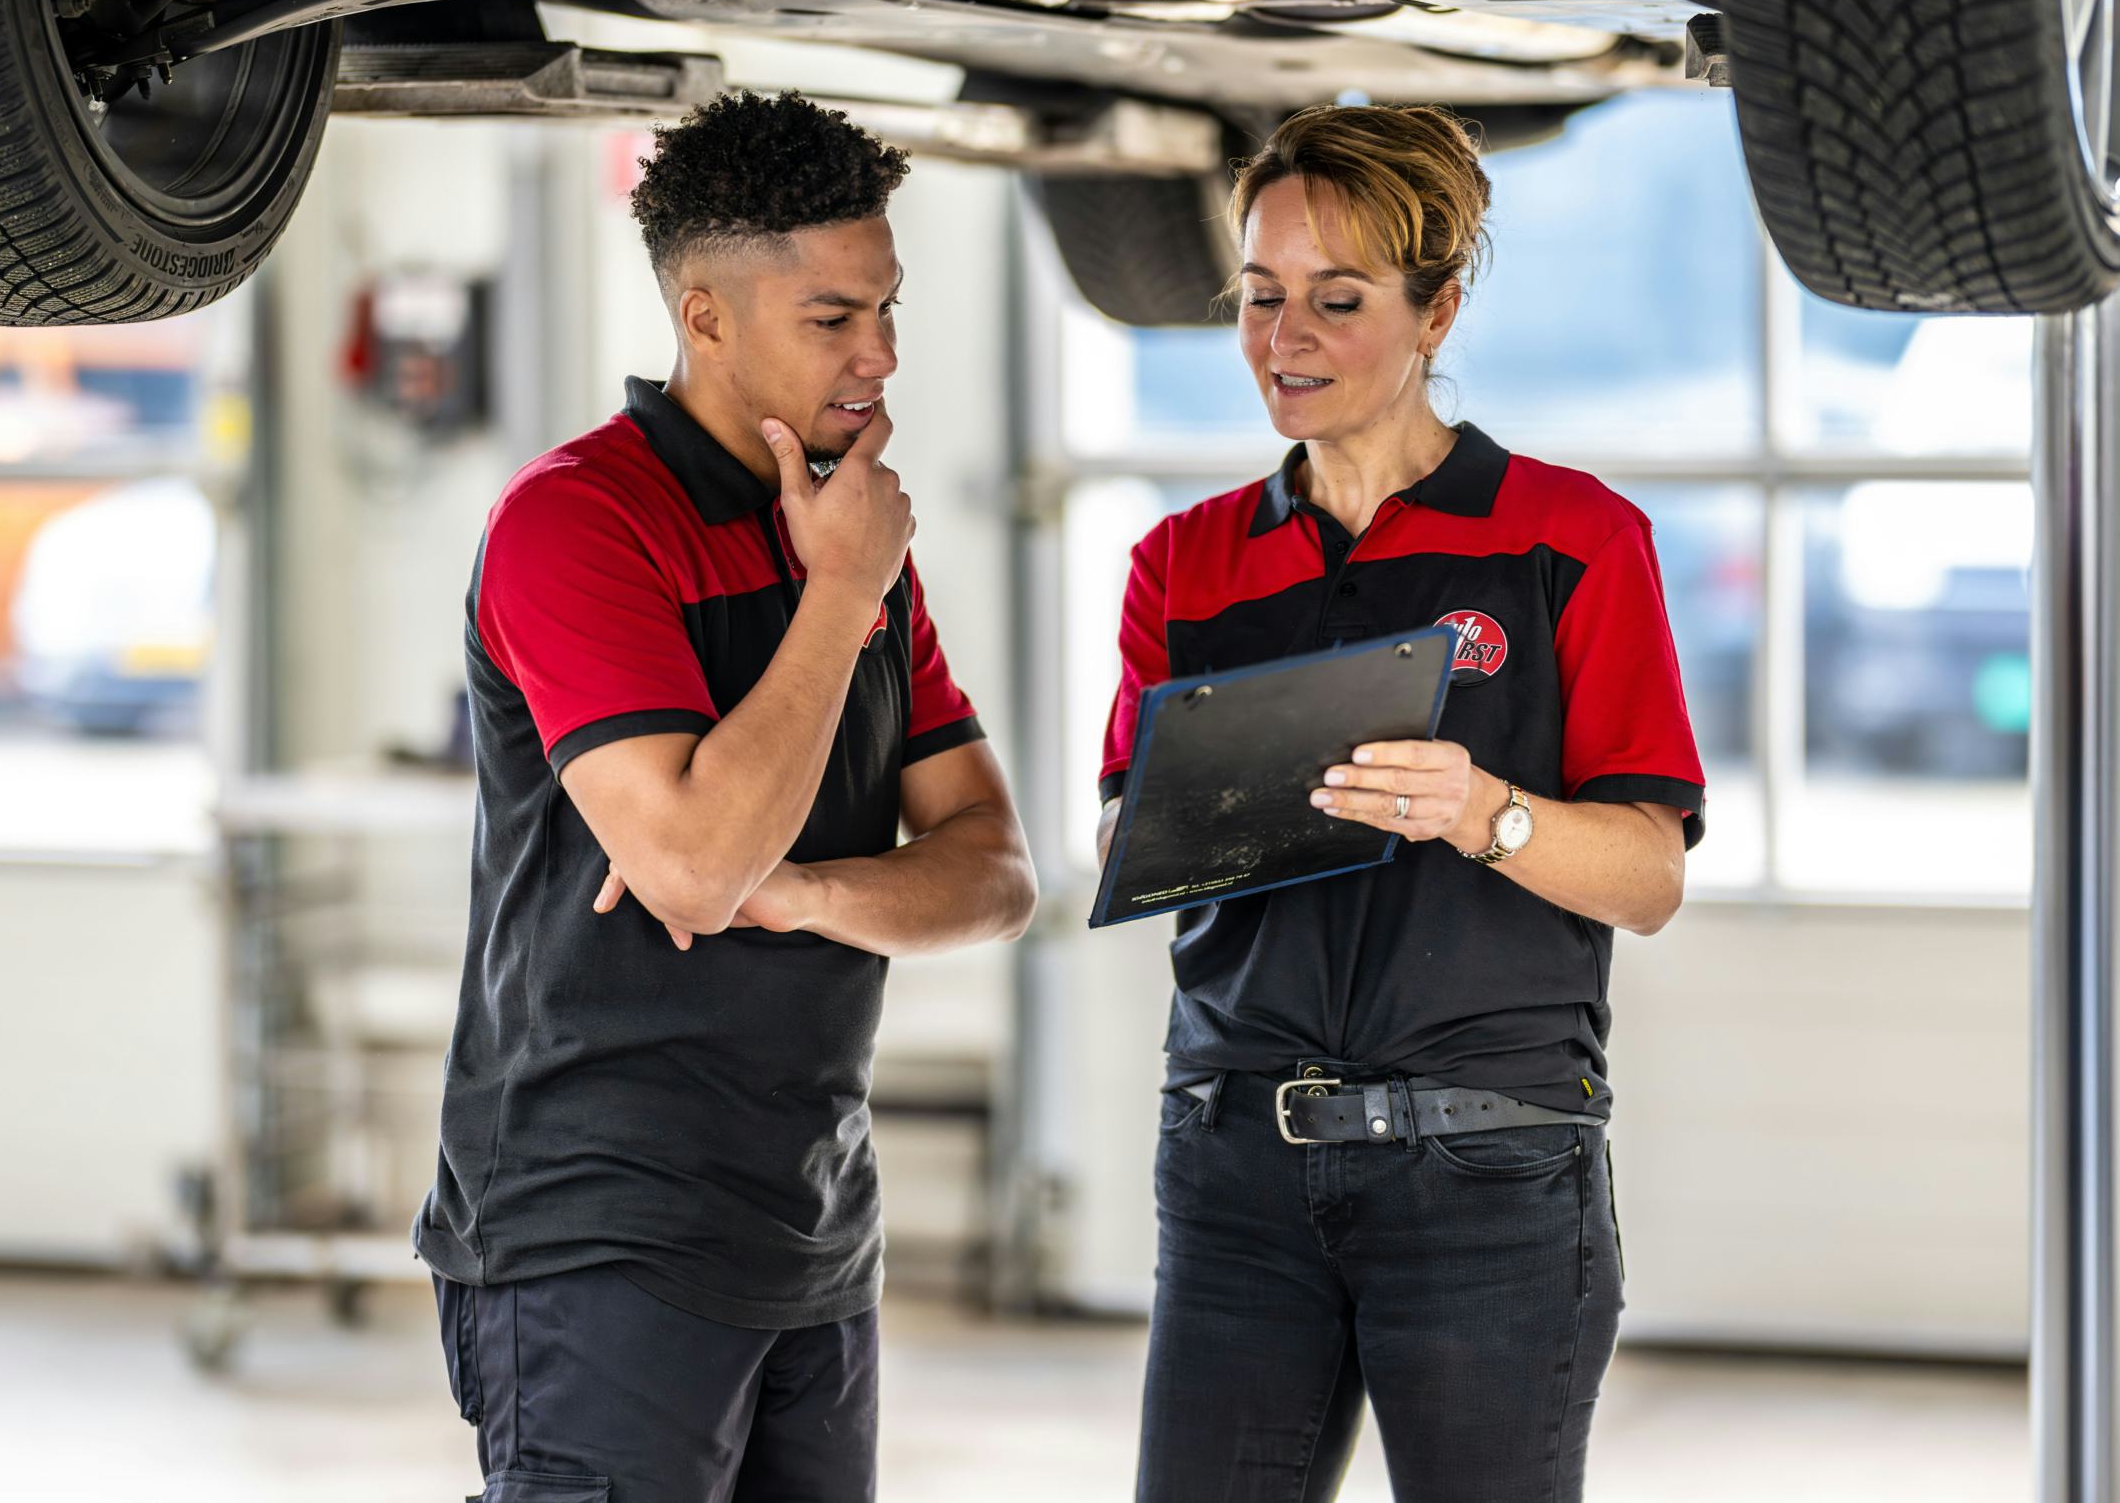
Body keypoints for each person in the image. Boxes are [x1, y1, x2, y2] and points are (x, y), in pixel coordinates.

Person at [414, 90, 1037, 1503]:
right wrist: (838, 599)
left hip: (813, 1223)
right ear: (705, 318)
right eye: (833, 318)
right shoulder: (577, 524)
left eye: (886, 307)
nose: (880, 355)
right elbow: (693, 868)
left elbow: (995, 872)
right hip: (600, 1232)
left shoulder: (851, 524)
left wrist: (812, 890)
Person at [1099, 103, 1705, 1502]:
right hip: (1236, 1166)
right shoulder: (1183, 565)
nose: (1283, 336)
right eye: (1259, 297)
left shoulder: (1572, 541)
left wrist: (1488, 811)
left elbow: (1649, 878)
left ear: (1436, 313)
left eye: (1337, 299)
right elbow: (1123, 842)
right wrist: (1190, 814)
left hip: (1489, 1174)